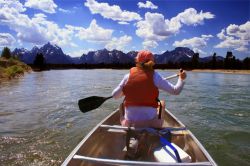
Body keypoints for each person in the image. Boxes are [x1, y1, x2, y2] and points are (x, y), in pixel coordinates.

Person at [112, 50, 186, 128]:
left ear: (137, 61)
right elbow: (175, 91)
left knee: (122, 105)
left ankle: (124, 121)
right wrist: (181, 79)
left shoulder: (127, 76)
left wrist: (125, 91)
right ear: (152, 62)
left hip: (129, 124)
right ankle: (156, 128)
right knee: (162, 103)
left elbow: (115, 95)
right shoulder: (156, 76)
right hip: (151, 124)